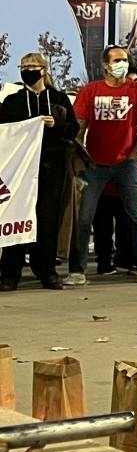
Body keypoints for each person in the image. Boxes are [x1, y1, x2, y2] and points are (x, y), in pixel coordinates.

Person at [69, 45, 137, 286]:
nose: (123, 64)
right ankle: (77, 270)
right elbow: (79, 128)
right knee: (84, 218)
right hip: (95, 164)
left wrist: (134, 154)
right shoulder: (90, 91)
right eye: (118, 60)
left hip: (126, 165)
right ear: (105, 65)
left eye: (125, 60)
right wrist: (81, 157)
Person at [0, 52, 79, 291]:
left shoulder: (58, 98)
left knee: (47, 219)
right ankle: (9, 273)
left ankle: (46, 270)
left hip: (50, 167)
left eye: (32, 66)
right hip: (19, 170)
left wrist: (58, 125)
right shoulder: (12, 101)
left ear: (43, 69)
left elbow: (73, 128)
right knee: (17, 217)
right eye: (23, 66)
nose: (27, 70)